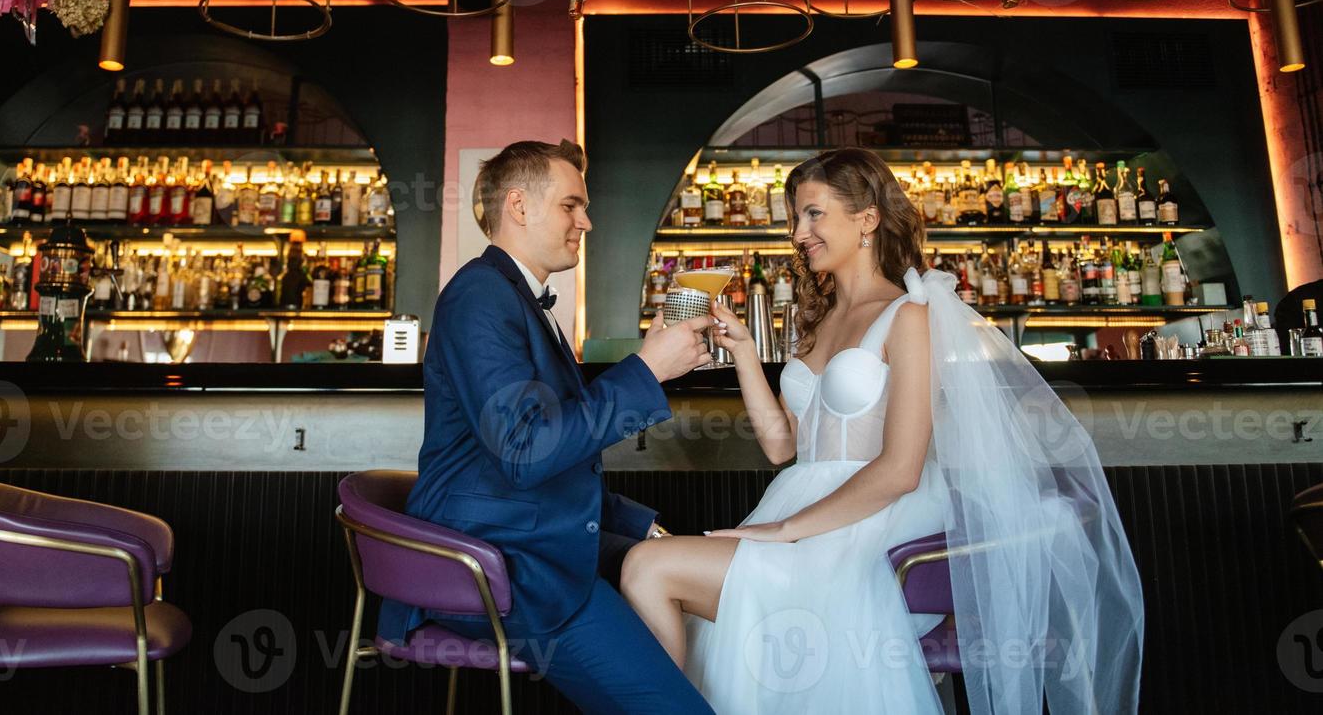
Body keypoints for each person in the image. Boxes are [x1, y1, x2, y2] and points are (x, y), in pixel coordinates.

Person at [620, 147, 1144, 714]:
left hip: (872, 530)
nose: (799, 232)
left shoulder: (909, 314)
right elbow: (782, 446)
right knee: (651, 571)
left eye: (814, 214)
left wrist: (784, 531)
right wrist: (746, 354)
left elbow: (900, 470)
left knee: (649, 566)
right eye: (795, 217)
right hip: (805, 509)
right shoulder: (815, 318)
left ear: (867, 218)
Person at [377, 139, 717, 714]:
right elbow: (525, 450)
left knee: (705, 598)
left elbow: (560, 454)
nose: (586, 220)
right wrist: (649, 368)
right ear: (519, 205)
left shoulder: (519, 299)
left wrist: (646, 528)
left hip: (530, 535)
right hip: (500, 565)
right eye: (571, 205)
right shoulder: (480, 297)